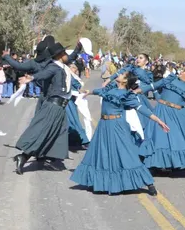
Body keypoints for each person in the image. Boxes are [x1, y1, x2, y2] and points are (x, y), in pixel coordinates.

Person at [70, 72, 169, 195]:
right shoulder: (110, 89)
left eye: (123, 74)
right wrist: (88, 92)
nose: (119, 74)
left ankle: (149, 183)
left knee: (126, 153)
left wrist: (159, 121)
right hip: (104, 126)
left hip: (117, 125)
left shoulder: (127, 95)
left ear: (125, 81)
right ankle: (103, 182)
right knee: (102, 153)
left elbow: (142, 109)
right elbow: (98, 91)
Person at [14, 43, 76, 174]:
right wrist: (31, 78)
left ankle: (47, 158)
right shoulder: (53, 67)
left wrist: (79, 48)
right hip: (53, 105)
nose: (67, 56)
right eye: (65, 53)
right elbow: (43, 74)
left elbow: (71, 59)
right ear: (60, 55)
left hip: (61, 106)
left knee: (58, 133)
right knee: (43, 132)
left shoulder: (62, 66)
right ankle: (23, 156)